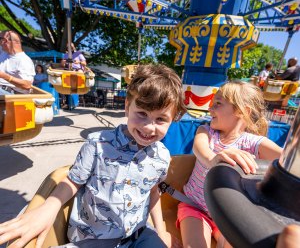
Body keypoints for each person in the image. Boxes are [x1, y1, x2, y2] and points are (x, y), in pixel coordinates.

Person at [0, 64, 186, 248]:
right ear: (128, 106)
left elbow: (153, 191)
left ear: (173, 118)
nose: (148, 127)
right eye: (142, 114)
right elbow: (73, 181)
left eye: (161, 119)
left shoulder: (161, 156)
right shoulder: (98, 144)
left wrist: (161, 231)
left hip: (137, 234)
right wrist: (49, 208)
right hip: (92, 238)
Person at [177, 81, 282, 248]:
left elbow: (289, 162)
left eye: (217, 104)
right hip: (195, 206)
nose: (210, 109)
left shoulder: (254, 143)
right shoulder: (206, 131)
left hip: (229, 215)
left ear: (241, 111)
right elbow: (199, 148)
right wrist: (214, 159)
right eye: (211, 104)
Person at [0, 30, 35, 94]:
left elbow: (27, 85)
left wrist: (4, 76)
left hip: (11, 94)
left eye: (0, 39)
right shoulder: (4, 53)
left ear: (5, 41)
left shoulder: (24, 60)